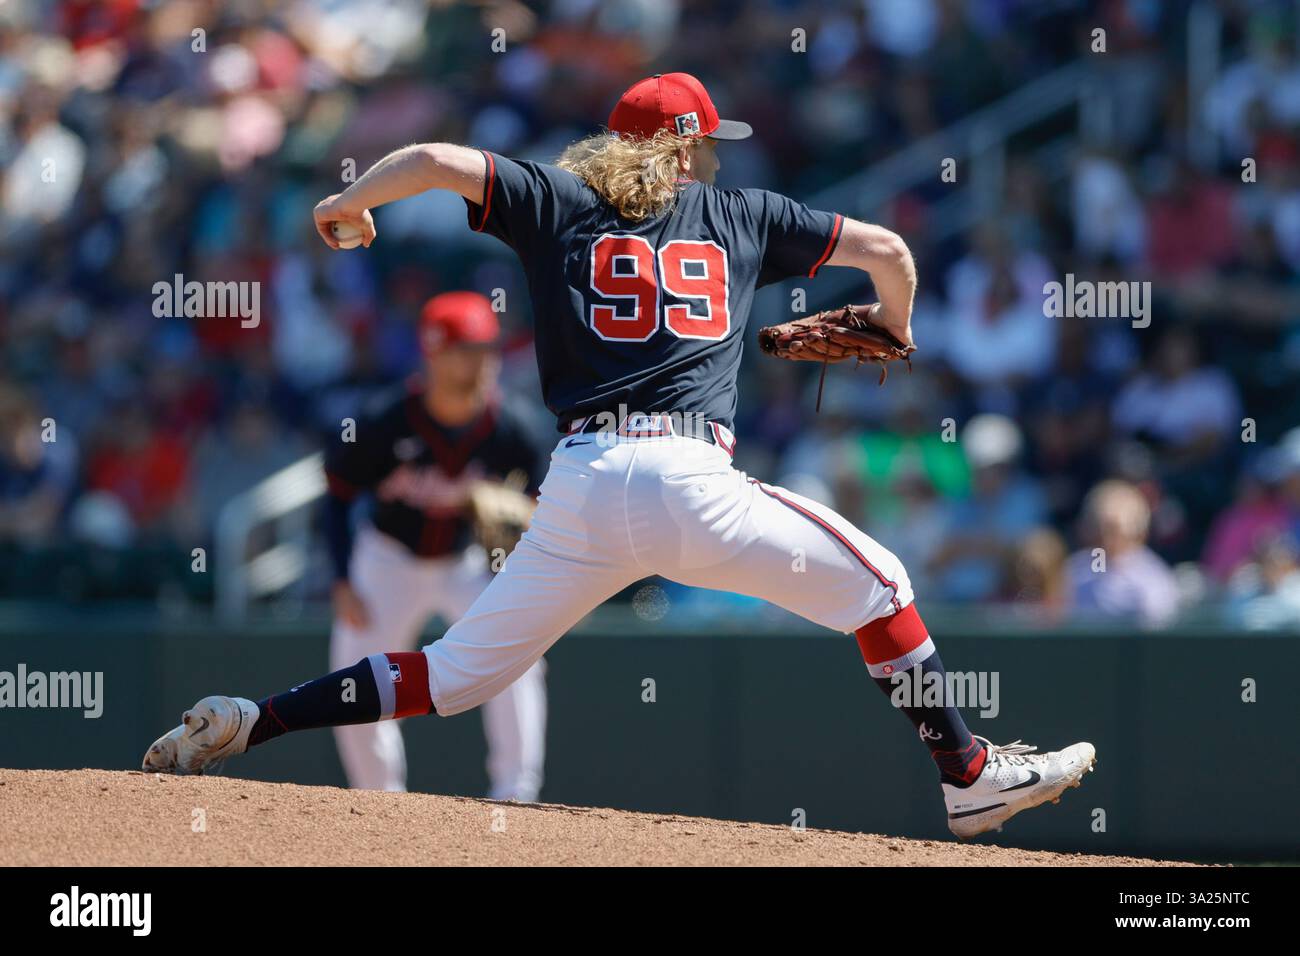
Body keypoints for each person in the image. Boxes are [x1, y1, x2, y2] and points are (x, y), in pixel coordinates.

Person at [143, 72, 1094, 839]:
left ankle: (252, 719)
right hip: (691, 482)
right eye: (709, 140)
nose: (718, 155)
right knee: (882, 587)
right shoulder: (743, 214)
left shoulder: (555, 200)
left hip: (584, 486)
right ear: (685, 146)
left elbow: (431, 158)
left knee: (453, 677)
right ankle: (968, 776)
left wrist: (350, 202)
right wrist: (896, 325)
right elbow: (889, 246)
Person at [322, 291, 548, 801]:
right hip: (388, 559)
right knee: (355, 677)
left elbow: (545, 512)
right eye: (468, 349)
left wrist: (518, 520)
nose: (483, 361)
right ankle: (379, 802)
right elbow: (336, 496)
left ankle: (516, 795)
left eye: (488, 348)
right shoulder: (383, 420)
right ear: (434, 353)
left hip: (466, 562)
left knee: (519, 654)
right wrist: (340, 578)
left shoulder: (514, 428)